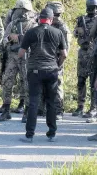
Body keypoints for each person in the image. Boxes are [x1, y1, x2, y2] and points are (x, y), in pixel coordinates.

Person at [19, 8, 67, 143]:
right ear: (51, 20)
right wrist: (57, 64)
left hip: (35, 70)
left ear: (40, 19)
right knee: (51, 102)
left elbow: (21, 53)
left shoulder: (31, 32)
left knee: (34, 102)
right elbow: (64, 54)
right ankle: (52, 133)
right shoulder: (58, 32)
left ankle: (29, 135)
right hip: (52, 70)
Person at [0, 0, 37, 122]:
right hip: (12, 57)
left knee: (27, 84)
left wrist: (19, 38)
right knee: (7, 81)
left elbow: (36, 42)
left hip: (27, 57)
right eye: (19, 10)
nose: (21, 13)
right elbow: (3, 40)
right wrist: (9, 38)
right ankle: (6, 110)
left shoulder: (33, 25)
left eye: (23, 10)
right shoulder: (12, 24)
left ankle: (26, 111)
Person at [72, 0, 97, 117]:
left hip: (94, 53)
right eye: (89, 7)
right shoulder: (81, 19)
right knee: (81, 81)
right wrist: (77, 31)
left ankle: (94, 107)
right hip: (83, 53)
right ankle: (80, 106)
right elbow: (74, 34)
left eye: (93, 7)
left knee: (93, 81)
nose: (90, 9)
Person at [44, 1, 72, 120]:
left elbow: (65, 51)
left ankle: (58, 110)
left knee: (58, 85)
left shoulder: (63, 28)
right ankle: (44, 108)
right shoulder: (47, 25)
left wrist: (59, 64)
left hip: (57, 61)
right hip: (45, 59)